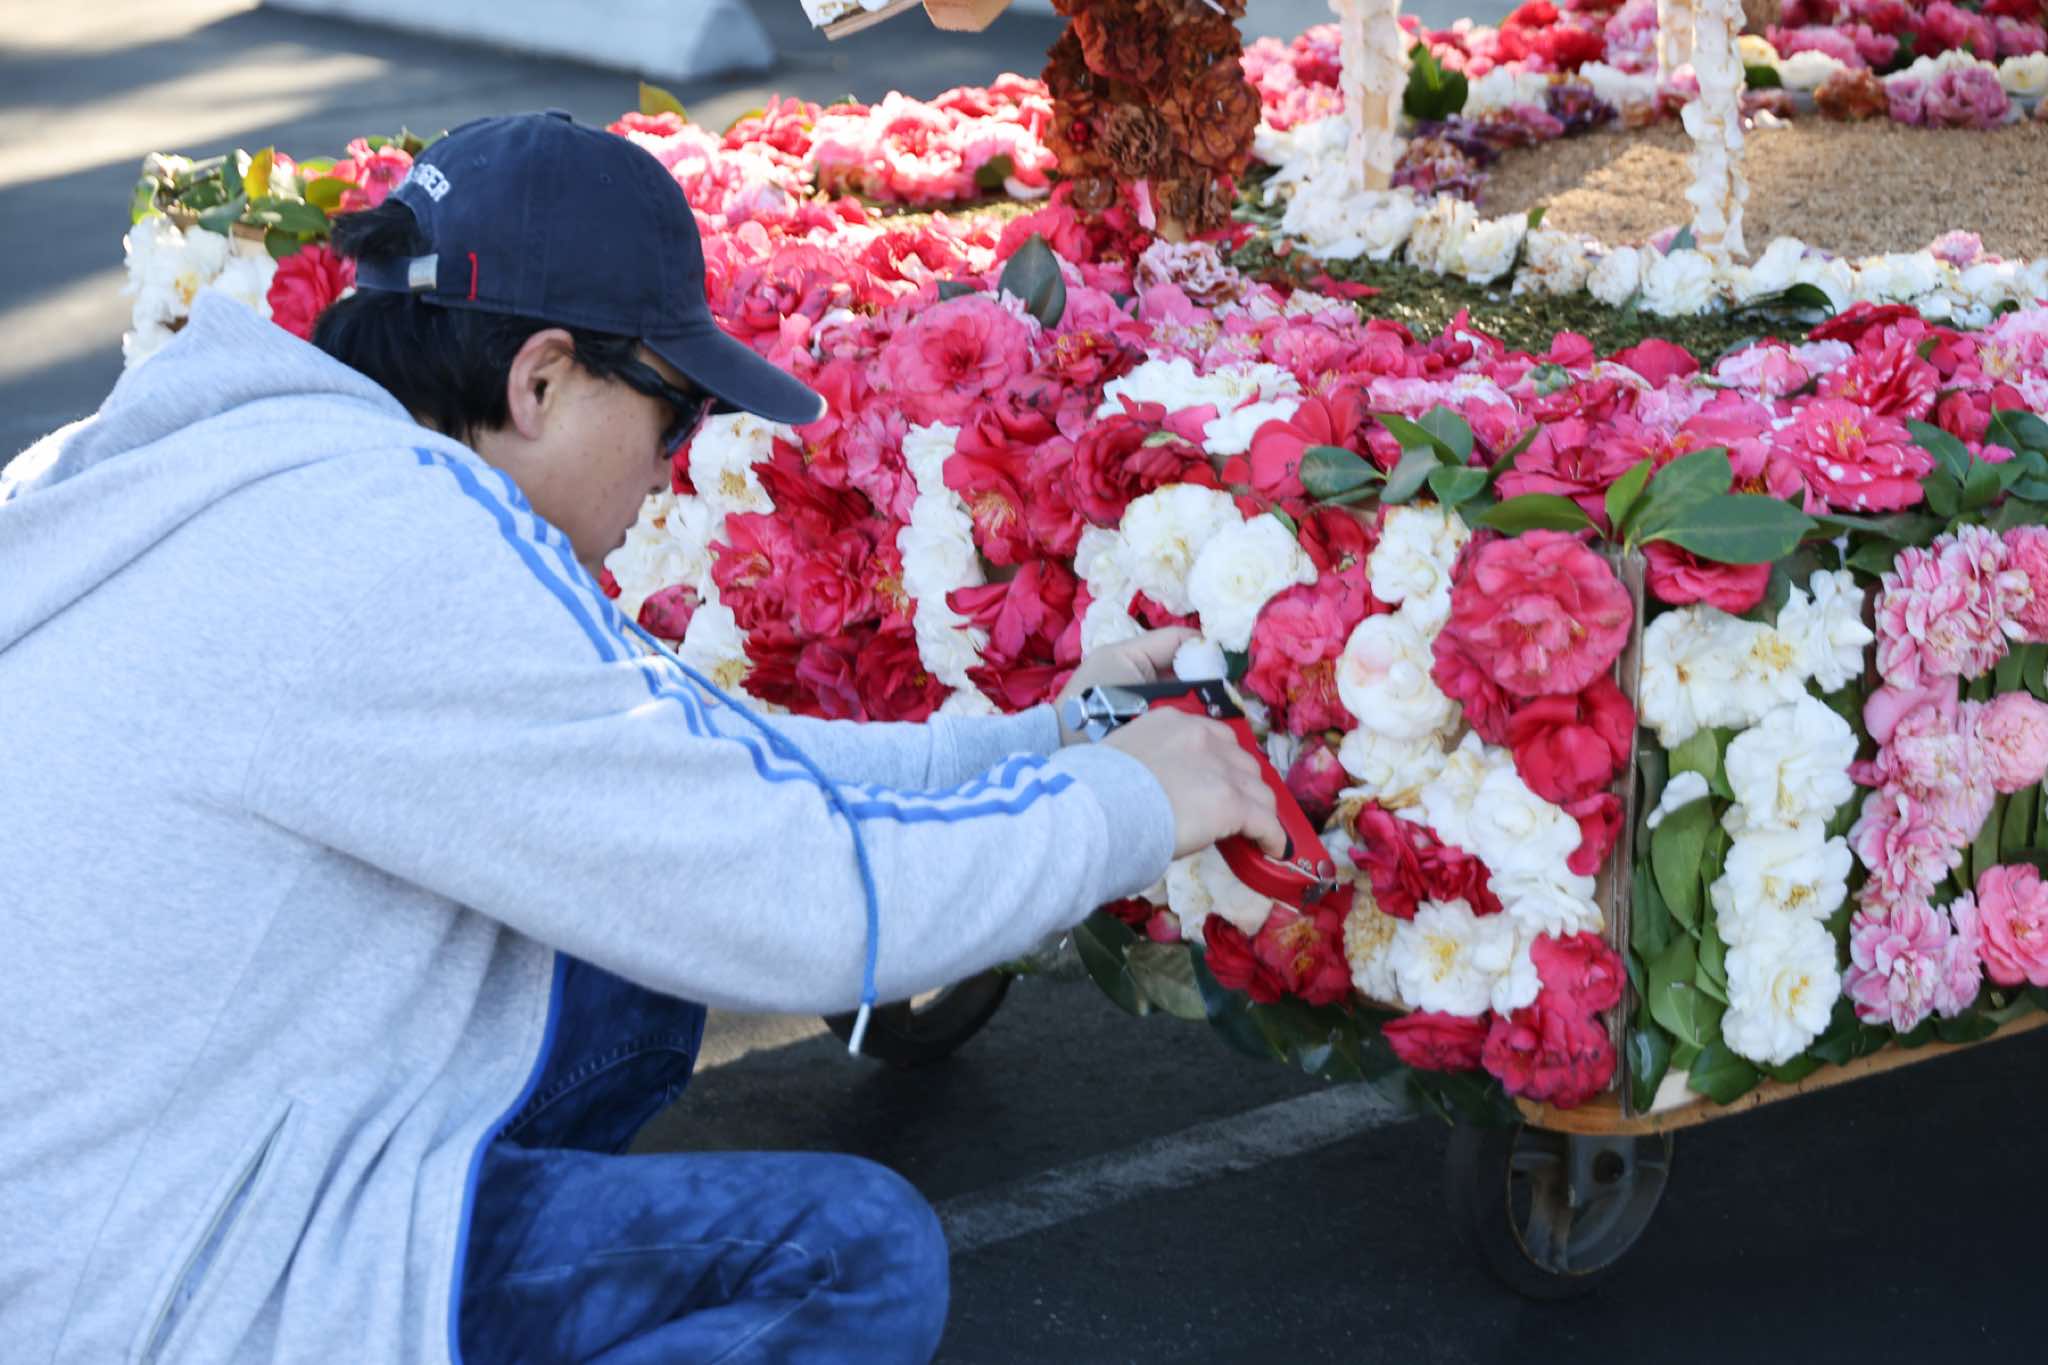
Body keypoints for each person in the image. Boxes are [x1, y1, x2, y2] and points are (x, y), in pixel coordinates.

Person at [0, 111, 1282, 1364]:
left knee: (631, 940)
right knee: (850, 1258)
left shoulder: (255, 458)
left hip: (99, 1207)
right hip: (143, 1295)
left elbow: (712, 767)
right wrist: (1131, 809)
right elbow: (802, 905)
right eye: (674, 412)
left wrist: (1056, 739)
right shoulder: (400, 548)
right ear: (540, 378)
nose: (673, 466)